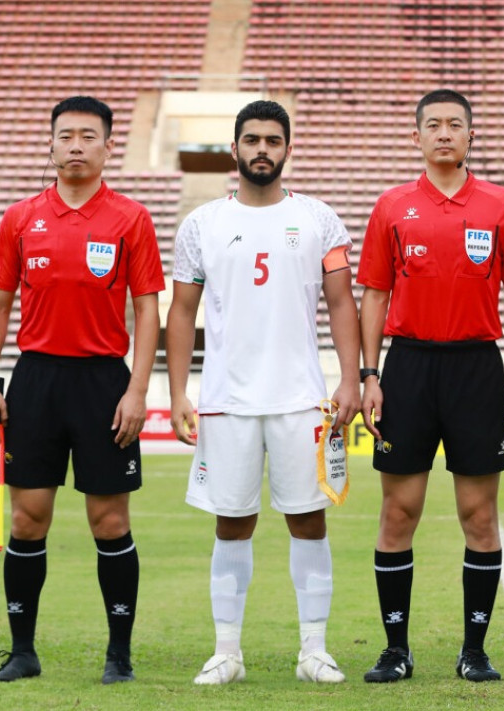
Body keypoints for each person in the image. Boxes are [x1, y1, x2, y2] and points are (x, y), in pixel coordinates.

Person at [166, 100, 361, 686]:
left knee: (308, 520)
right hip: (226, 400)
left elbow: (342, 302)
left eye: (273, 141)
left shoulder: (320, 219)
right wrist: (179, 392)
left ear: (288, 149)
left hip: (301, 398)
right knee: (231, 523)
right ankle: (227, 652)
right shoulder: (201, 224)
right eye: (251, 140)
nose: (262, 150)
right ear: (234, 149)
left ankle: (314, 651)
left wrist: (350, 378)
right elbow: (180, 311)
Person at [0, 96, 163, 684]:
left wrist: (137, 390)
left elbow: (147, 310)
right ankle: (23, 651)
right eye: (65, 136)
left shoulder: (130, 218)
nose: (75, 145)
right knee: (28, 520)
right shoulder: (20, 217)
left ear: (110, 146)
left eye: (88, 136)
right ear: (50, 144)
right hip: (35, 378)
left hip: (104, 381)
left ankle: (119, 655)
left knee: (109, 522)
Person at [357, 88, 504, 683]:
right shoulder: (391, 206)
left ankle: (475, 650)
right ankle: (395, 650)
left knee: (478, 514)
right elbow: (375, 294)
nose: (443, 133)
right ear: (415, 136)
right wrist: (370, 373)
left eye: (454, 125)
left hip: (476, 368)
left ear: (470, 136)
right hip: (407, 368)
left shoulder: (501, 206)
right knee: (398, 511)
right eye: (431, 125)